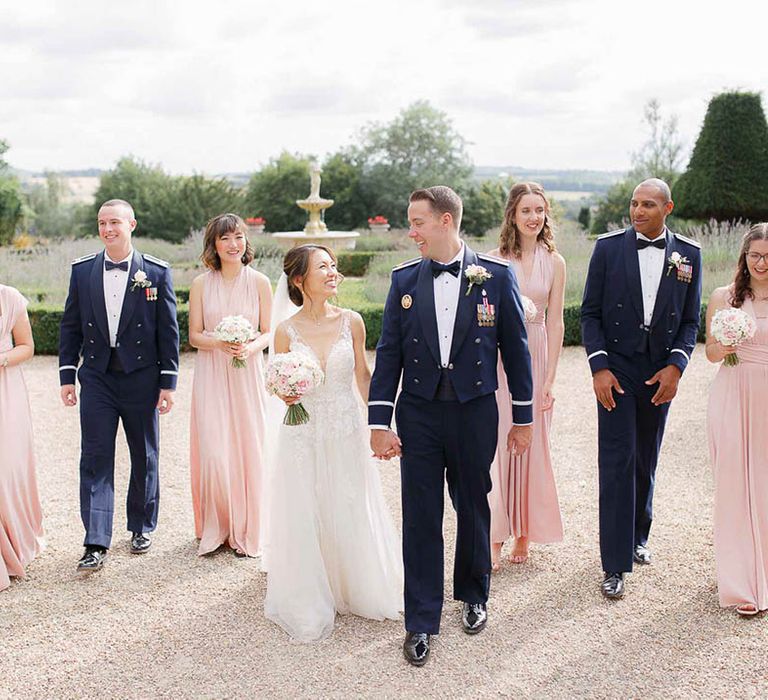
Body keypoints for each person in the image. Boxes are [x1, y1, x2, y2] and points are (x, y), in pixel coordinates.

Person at [369, 186, 533, 667]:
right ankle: (421, 620)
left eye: (417, 222)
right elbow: (389, 355)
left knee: (472, 503)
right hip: (418, 412)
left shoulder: (497, 278)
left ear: (446, 221)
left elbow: (517, 353)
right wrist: (380, 421)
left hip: (474, 409)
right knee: (420, 514)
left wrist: (522, 418)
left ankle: (474, 593)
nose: (411, 231)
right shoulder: (403, 280)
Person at [264, 244, 402, 642]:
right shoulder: (285, 331)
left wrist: (383, 423)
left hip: (344, 428)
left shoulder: (352, 321)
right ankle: (310, 586)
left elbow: (362, 375)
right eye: (322, 267)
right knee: (306, 504)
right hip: (303, 432)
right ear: (298, 279)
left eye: (334, 266)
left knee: (348, 499)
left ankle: (355, 584)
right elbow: (276, 379)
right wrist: (284, 392)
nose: (332, 272)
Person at [581, 178, 702, 599]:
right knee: (617, 462)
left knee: (646, 456)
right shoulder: (608, 248)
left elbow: (690, 321)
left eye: (648, 205)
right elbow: (590, 314)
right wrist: (599, 368)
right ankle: (614, 565)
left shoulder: (690, 254)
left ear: (668, 207)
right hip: (616, 369)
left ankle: (637, 538)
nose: (637, 211)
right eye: (634, 204)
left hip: (659, 371)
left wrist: (677, 366)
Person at [59, 199, 179, 572]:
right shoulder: (82, 271)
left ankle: (141, 526)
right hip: (96, 375)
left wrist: (168, 383)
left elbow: (168, 331)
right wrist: (67, 375)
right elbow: (70, 326)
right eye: (101, 223)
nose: (107, 229)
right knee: (94, 456)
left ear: (132, 225)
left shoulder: (156, 272)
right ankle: (95, 540)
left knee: (144, 453)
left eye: (114, 222)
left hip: (142, 375)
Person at [487, 183, 565, 569]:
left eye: (539, 210)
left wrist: (549, 380)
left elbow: (557, 321)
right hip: (503, 361)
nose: (534, 217)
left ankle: (524, 533)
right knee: (500, 444)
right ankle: (495, 534)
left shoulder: (557, 262)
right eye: (526, 211)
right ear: (513, 216)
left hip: (536, 356)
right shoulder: (493, 261)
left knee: (534, 445)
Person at [188, 213, 272, 557]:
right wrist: (219, 343)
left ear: (245, 241)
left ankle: (248, 527)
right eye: (225, 239)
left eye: (238, 237)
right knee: (214, 451)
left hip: (247, 373)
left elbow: (269, 331)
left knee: (249, 445)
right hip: (211, 372)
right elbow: (194, 336)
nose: (233, 244)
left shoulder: (260, 282)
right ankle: (218, 526)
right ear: (215, 244)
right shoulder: (200, 284)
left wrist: (249, 347)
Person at [706, 223, 768, 616]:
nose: (762, 263)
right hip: (731, 394)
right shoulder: (723, 298)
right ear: (744, 258)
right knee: (732, 482)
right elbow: (710, 353)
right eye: (755, 255)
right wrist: (725, 344)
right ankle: (739, 577)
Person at [0, 284, 44, 591]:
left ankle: (14, 539)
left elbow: (26, 346)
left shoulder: (10, 297)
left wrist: (1, 359)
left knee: (6, 469)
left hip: (6, 391)